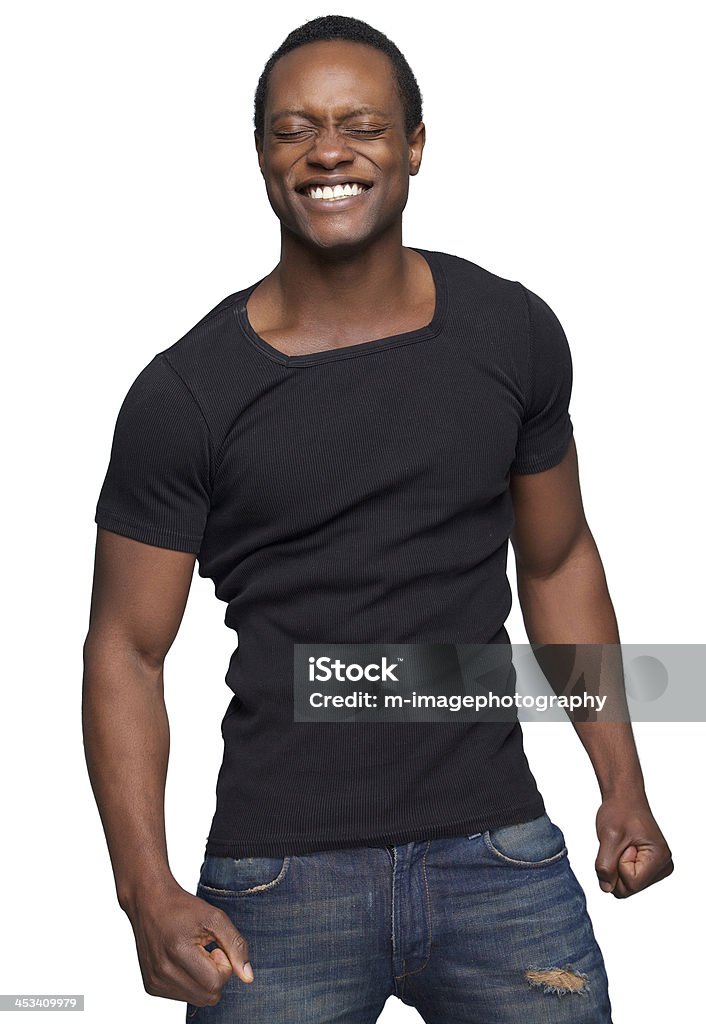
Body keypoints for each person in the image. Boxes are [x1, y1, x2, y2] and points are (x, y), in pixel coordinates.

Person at [83, 15, 674, 1024]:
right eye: (294, 127)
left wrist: (621, 783)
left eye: (360, 123)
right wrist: (145, 889)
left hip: (499, 857)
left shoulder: (510, 331)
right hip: (275, 881)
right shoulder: (186, 394)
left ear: (413, 144)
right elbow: (126, 651)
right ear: (264, 153)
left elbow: (559, 557)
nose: (327, 151)